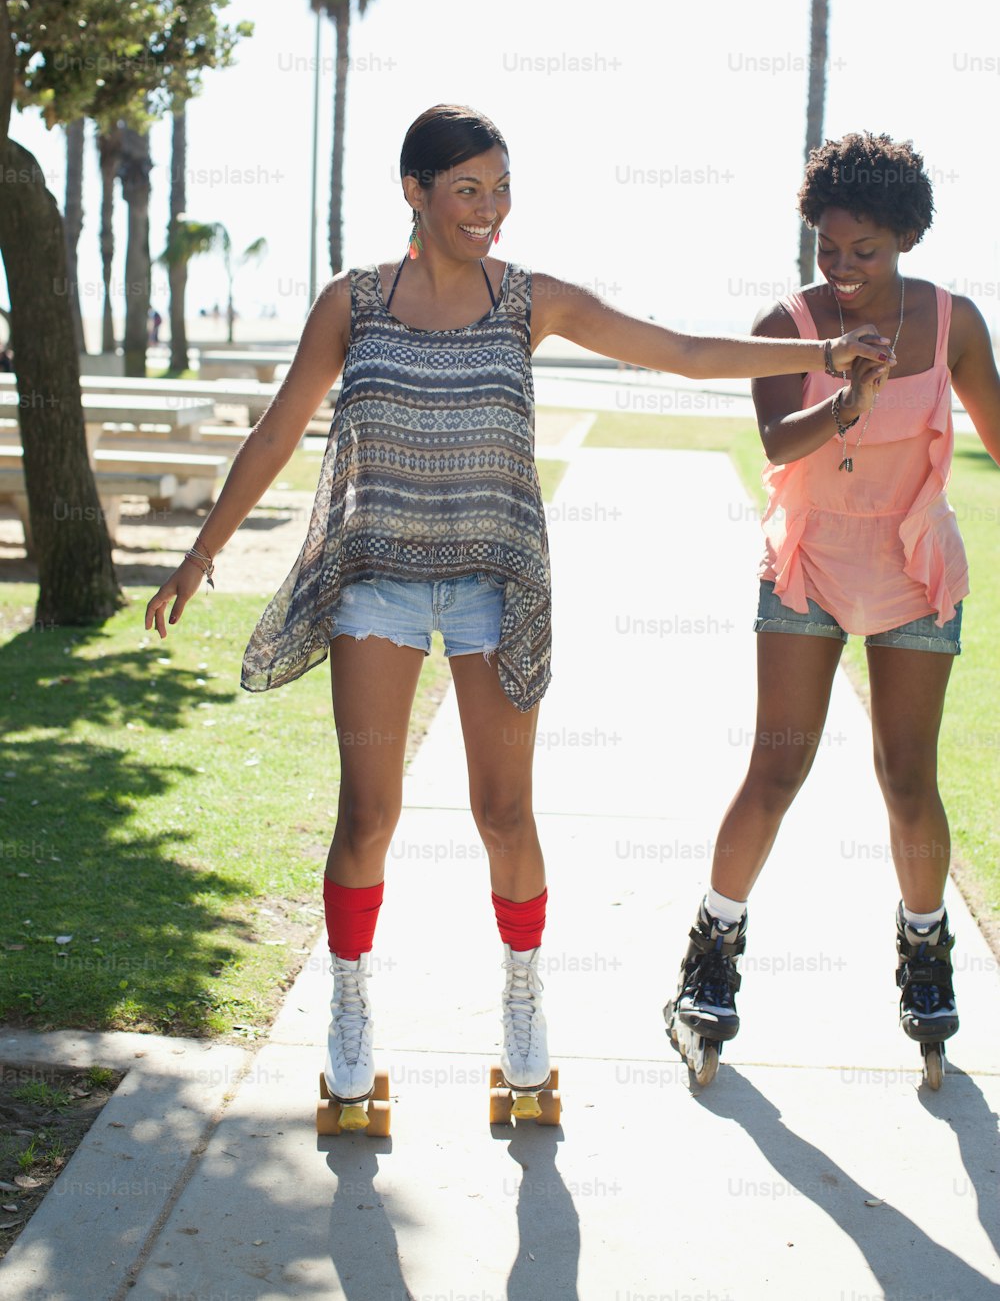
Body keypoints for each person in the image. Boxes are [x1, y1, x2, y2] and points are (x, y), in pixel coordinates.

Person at [145, 105, 889, 1125]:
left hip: (495, 582)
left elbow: (672, 351)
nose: (488, 210)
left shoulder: (525, 302)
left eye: (500, 189)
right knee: (369, 815)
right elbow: (277, 433)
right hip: (379, 579)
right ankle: (352, 1012)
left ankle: (523, 1002)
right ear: (415, 190)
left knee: (504, 814)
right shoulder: (352, 305)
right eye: (467, 190)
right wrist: (199, 553)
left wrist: (824, 353)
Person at [665, 132, 1000, 1087]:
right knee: (778, 768)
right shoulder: (790, 321)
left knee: (907, 776)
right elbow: (778, 440)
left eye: (866, 252)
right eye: (830, 249)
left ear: (905, 237)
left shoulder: (953, 324)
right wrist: (852, 393)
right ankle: (713, 949)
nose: (845, 271)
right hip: (810, 557)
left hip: (912, 562)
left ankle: (925, 953)